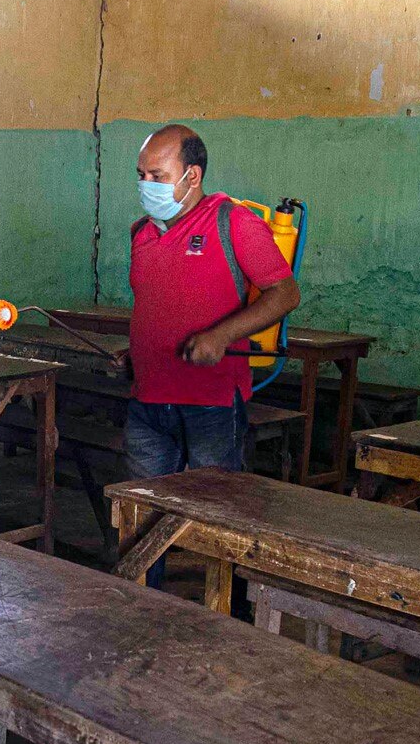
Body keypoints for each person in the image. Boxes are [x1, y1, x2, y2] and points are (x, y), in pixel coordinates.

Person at [124, 124, 300, 587]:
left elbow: (284, 294)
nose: (147, 185)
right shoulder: (141, 233)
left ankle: (229, 610)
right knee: (140, 516)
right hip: (148, 401)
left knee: (218, 518)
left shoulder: (233, 222)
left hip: (212, 405)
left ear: (192, 175)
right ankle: (139, 608)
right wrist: (135, 351)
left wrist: (220, 337)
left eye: (158, 176)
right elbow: (157, 305)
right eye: (141, 174)